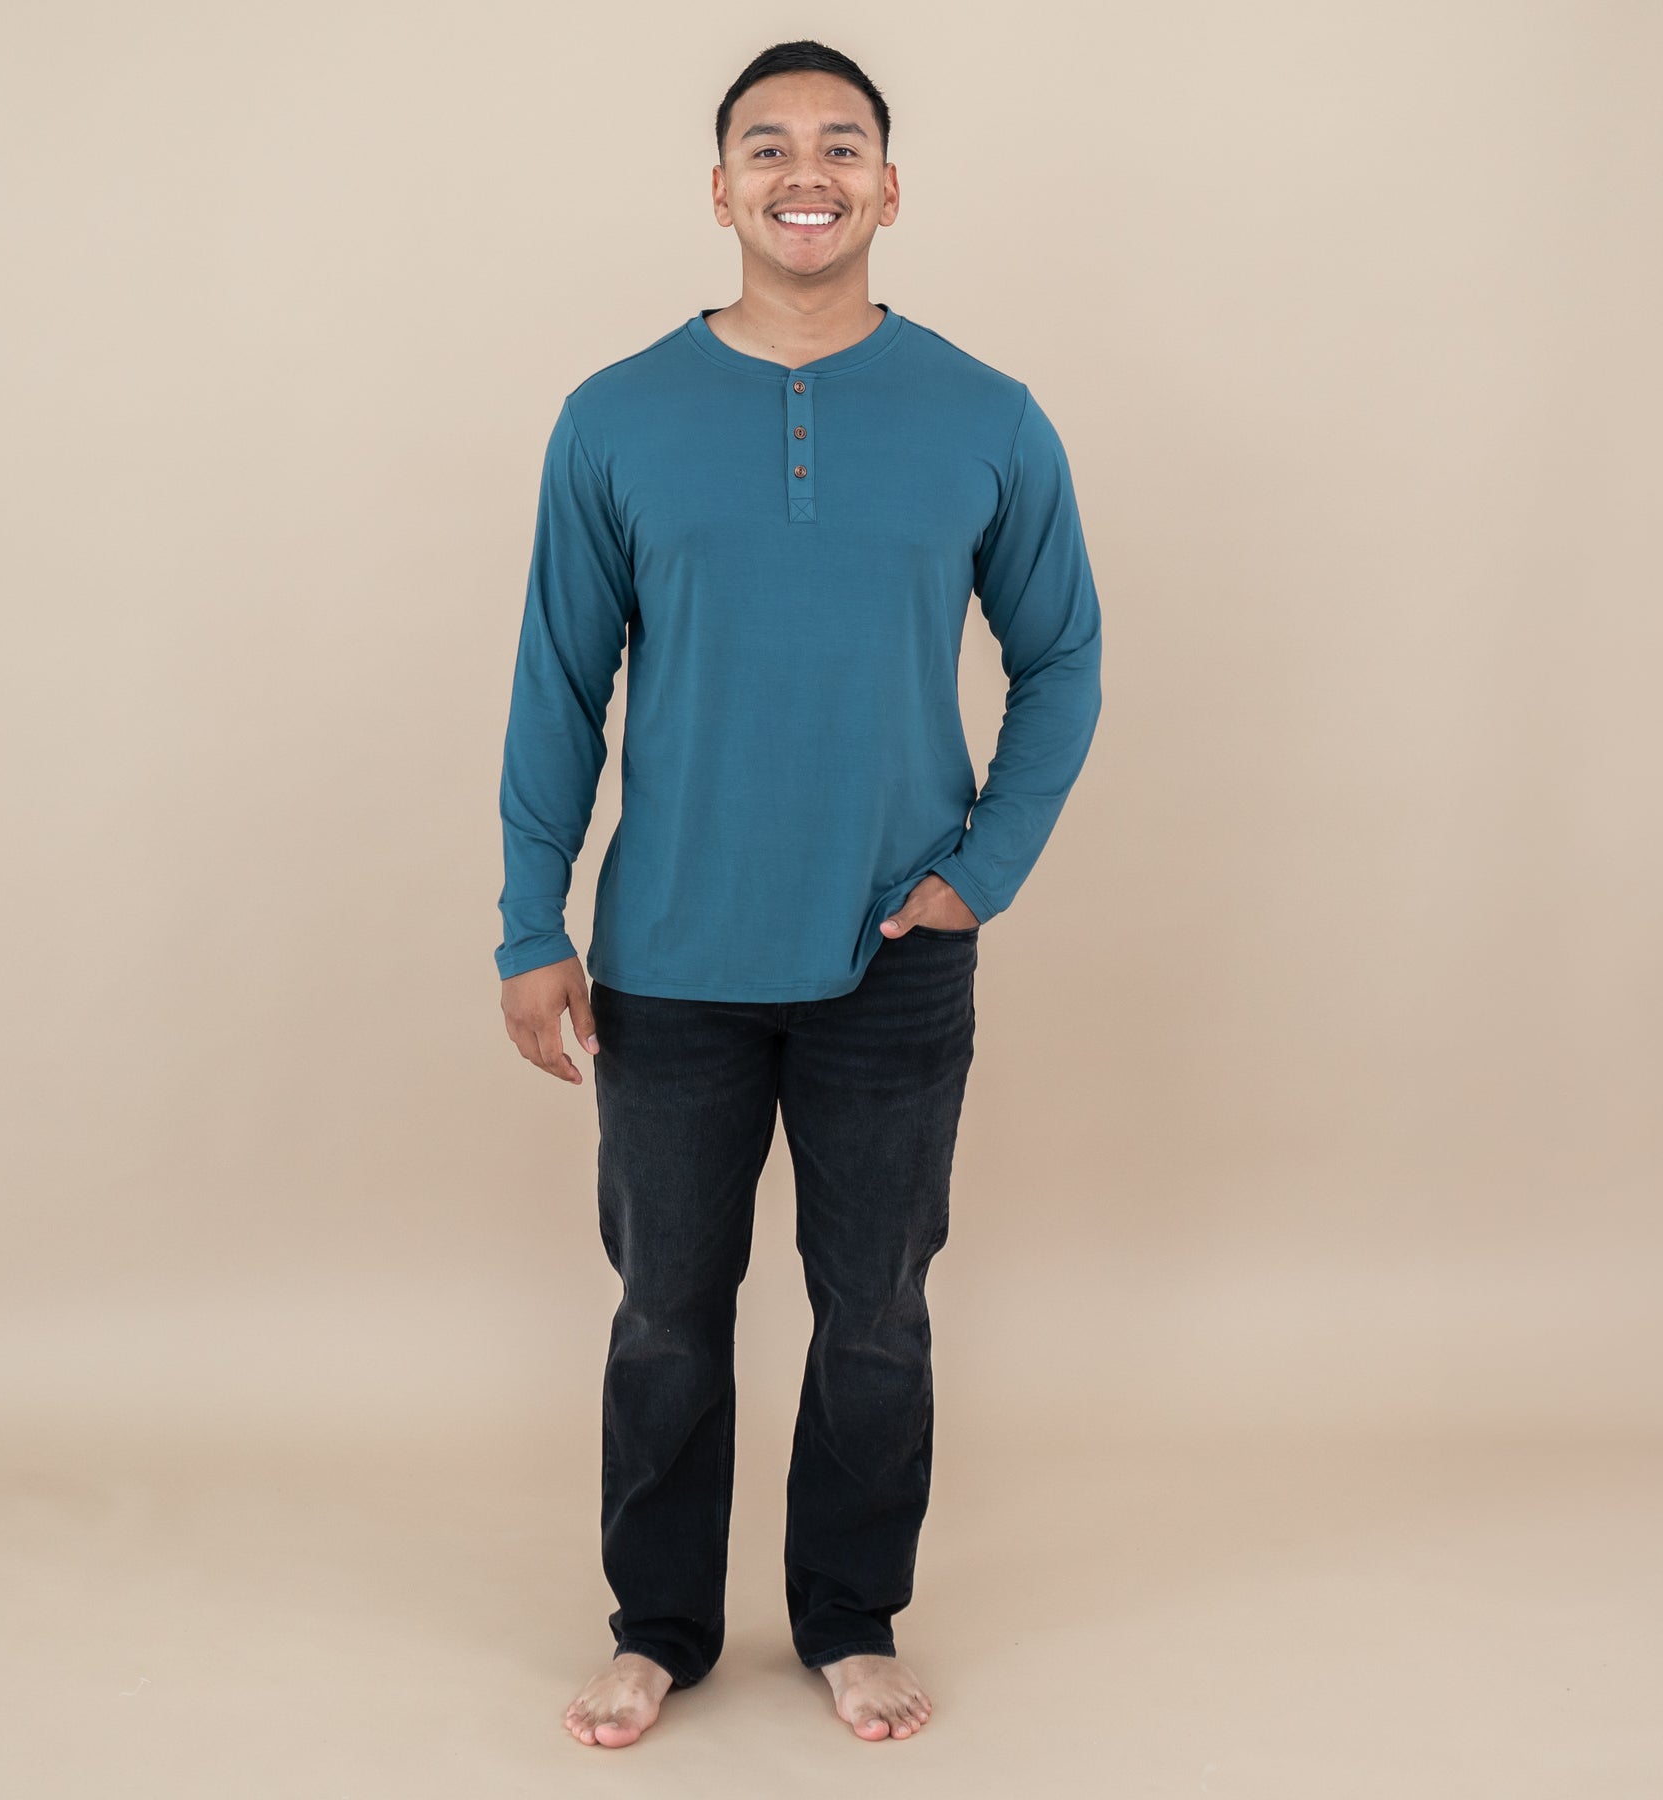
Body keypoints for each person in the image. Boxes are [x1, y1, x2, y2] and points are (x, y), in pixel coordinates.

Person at [494, 39, 1104, 1749]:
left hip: (891, 960)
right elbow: (559, 683)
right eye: (768, 145)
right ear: (721, 191)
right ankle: (660, 1628)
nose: (805, 168)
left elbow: (1064, 658)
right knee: (668, 1318)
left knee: (878, 1315)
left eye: (842, 144)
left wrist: (981, 875)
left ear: (888, 189)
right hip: (671, 956)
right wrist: (531, 924)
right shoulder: (611, 418)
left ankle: (849, 1613)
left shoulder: (988, 414)